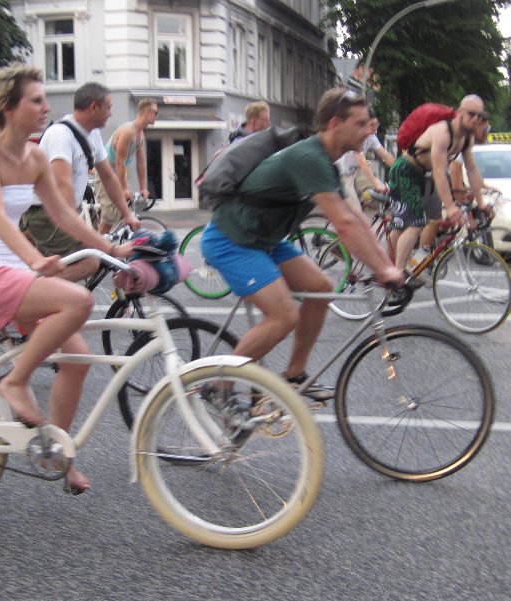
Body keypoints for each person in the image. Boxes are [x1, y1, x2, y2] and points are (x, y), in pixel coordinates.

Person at [0, 64, 134, 494]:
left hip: (12, 270)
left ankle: (57, 454)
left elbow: (63, 215)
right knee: (78, 303)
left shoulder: (34, 156)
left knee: (75, 361)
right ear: (7, 108)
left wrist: (111, 250)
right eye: (36, 100)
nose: (46, 107)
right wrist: (36, 260)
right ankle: (15, 381)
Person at [201, 88, 405, 404]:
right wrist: (383, 269)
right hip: (231, 241)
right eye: (361, 124)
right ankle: (219, 387)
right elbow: (344, 223)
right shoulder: (310, 157)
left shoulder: (325, 160)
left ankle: (294, 375)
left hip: (263, 241)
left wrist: (386, 265)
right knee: (283, 316)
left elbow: (356, 217)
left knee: (320, 287)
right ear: (336, 123)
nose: (369, 131)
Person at [19, 82, 139, 281]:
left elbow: (108, 176)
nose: (110, 113)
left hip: (61, 214)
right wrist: (92, 238)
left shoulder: (92, 134)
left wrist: (127, 215)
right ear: (94, 107)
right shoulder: (61, 135)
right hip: (46, 215)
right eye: (108, 107)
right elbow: (62, 187)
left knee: (73, 257)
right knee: (89, 260)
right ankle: (31, 292)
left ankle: (39, 294)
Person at [388, 94, 492, 274]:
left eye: (480, 116)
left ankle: (396, 266)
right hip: (405, 171)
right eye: (471, 114)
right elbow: (439, 171)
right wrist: (450, 206)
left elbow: (472, 170)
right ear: (460, 112)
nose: (476, 119)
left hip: (422, 175)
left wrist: (481, 203)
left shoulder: (467, 138)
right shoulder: (442, 132)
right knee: (416, 222)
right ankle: (395, 278)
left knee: (425, 222)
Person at [94, 98, 158, 234]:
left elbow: (141, 163)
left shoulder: (140, 136)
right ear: (146, 112)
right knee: (110, 216)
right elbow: (119, 161)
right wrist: (123, 188)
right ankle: (96, 251)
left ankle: (118, 248)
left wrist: (143, 188)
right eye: (155, 113)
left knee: (127, 214)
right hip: (106, 172)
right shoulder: (128, 131)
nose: (156, 116)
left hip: (120, 173)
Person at [336, 107, 395, 210]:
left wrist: (400, 169)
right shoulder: (354, 135)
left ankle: (365, 201)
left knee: (378, 191)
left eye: (376, 125)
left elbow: (385, 155)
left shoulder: (370, 136)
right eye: (372, 125)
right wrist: (375, 183)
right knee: (355, 212)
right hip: (342, 175)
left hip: (355, 171)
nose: (375, 129)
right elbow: (361, 161)